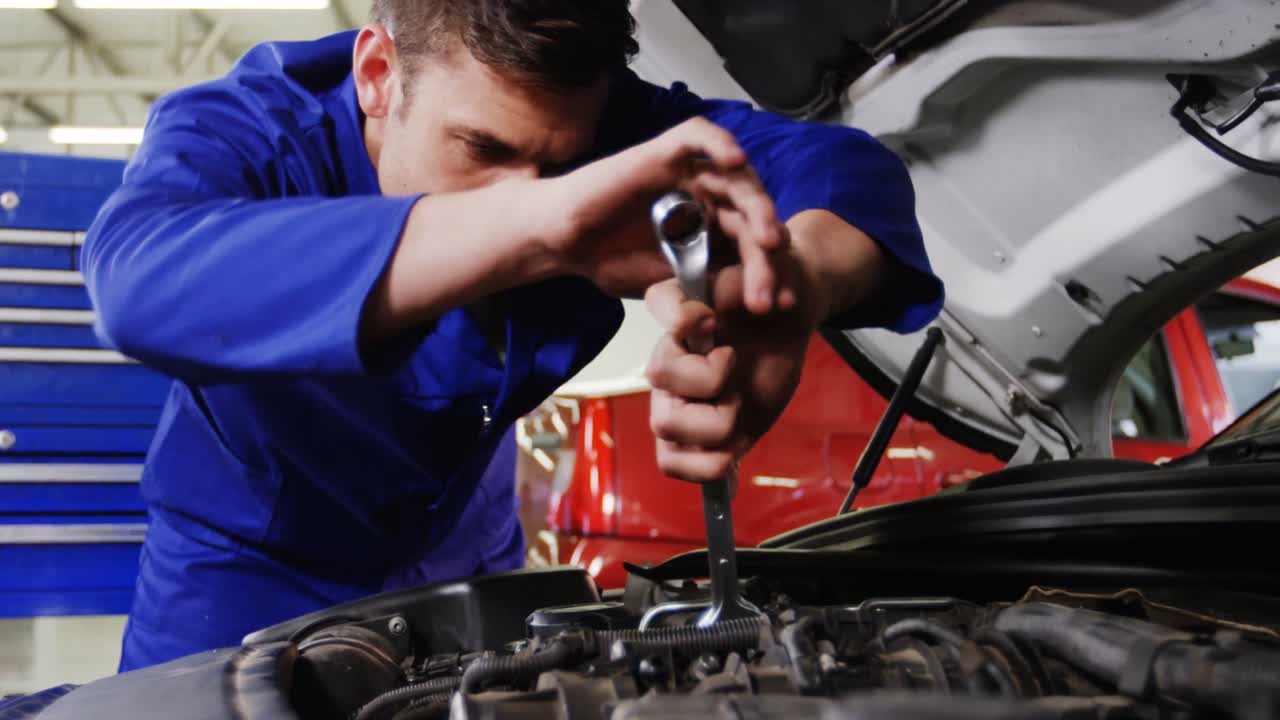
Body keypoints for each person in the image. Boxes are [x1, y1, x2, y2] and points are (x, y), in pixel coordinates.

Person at [83, 0, 944, 672]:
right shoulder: (248, 130)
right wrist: (543, 222)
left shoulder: (601, 123)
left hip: (470, 540)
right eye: (482, 148)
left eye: (558, 163)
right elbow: (139, 277)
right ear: (378, 75)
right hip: (243, 564)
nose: (529, 181)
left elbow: (844, 167)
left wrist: (794, 284)